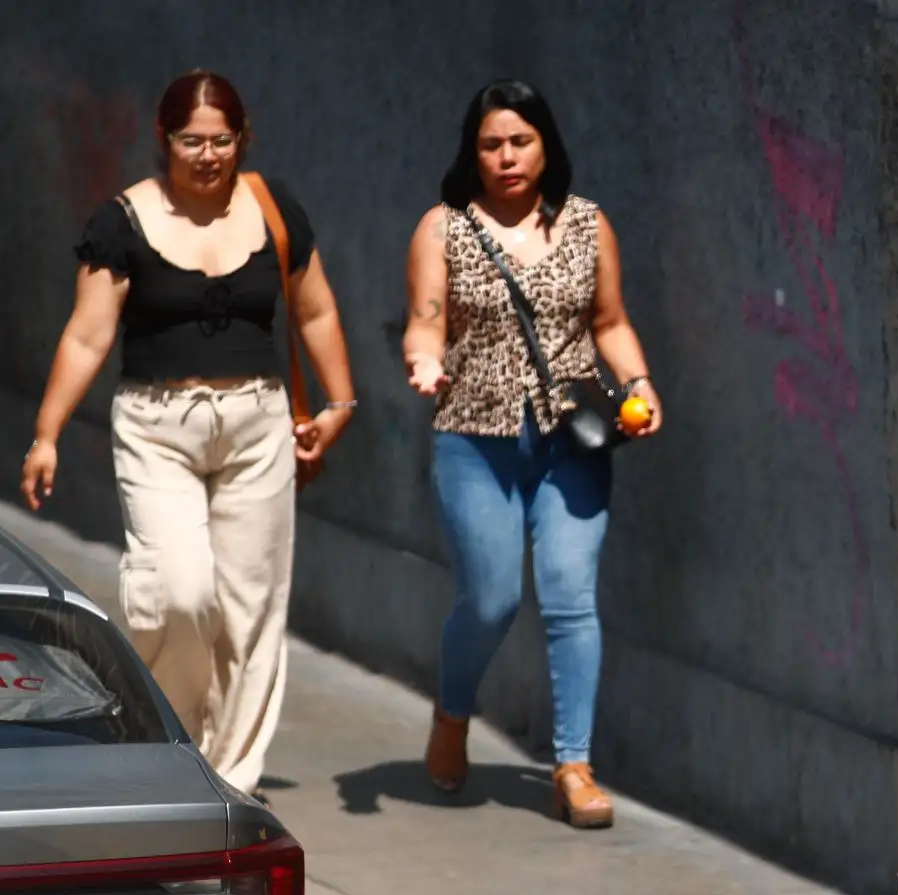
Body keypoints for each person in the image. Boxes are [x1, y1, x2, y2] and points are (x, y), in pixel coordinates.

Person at [20, 68, 356, 797]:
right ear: (164, 140)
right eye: (191, 141)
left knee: (249, 609)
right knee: (175, 590)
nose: (208, 155)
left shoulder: (273, 209)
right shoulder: (123, 220)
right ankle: (163, 734)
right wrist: (46, 433)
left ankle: (226, 775)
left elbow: (316, 309)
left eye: (222, 140)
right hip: (156, 426)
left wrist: (340, 404)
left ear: (243, 139)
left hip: (258, 425)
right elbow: (86, 335)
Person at [402, 79, 662, 830]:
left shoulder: (587, 226)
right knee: (489, 600)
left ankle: (573, 766)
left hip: (570, 436)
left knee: (570, 594)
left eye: (521, 142)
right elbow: (425, 323)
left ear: (546, 145)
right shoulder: (443, 228)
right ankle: (451, 715)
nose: (507, 158)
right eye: (492, 145)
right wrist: (425, 362)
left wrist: (638, 383)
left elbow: (609, 321)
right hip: (473, 434)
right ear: (472, 151)